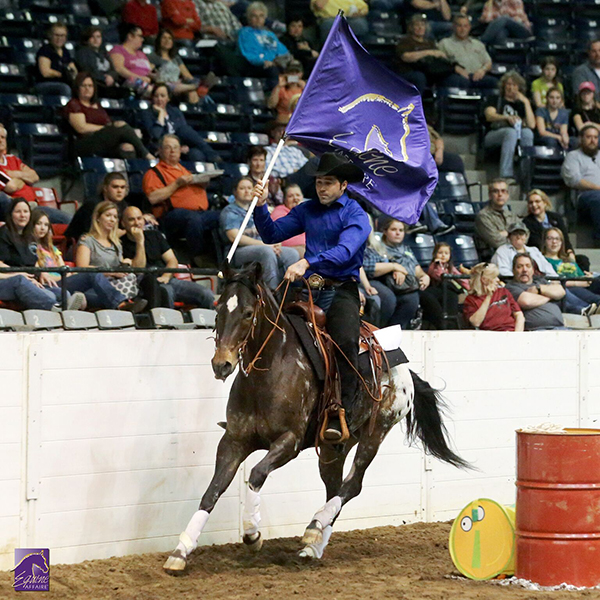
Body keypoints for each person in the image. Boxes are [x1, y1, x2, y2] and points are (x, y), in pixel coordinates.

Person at [252, 153, 370, 442]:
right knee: (270, 333)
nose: (321, 188)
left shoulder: (355, 214)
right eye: (318, 182)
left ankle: (346, 411)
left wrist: (307, 262)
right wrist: (260, 205)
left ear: (343, 185)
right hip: (308, 289)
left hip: (341, 288)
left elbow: (345, 252)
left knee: (344, 341)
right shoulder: (308, 210)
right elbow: (272, 234)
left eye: (328, 183)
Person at [26, 208, 139, 311]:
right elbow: (41, 276)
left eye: (46, 225)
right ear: (31, 225)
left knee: (97, 296)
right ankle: (121, 304)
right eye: (38, 224)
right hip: (51, 285)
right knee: (92, 274)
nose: (42, 228)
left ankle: (124, 306)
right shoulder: (31, 247)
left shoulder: (53, 249)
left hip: (63, 281)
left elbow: (64, 269)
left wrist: (68, 274)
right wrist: (64, 275)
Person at [142, 134, 220, 262]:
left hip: (200, 213)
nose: (172, 151)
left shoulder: (185, 170)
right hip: (171, 216)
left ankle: (225, 257)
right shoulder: (154, 173)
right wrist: (176, 184)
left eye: (175, 148)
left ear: (180, 150)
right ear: (160, 150)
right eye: (168, 147)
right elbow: (153, 198)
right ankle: (198, 257)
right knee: (192, 219)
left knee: (224, 215)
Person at [121, 205, 215, 308]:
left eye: (139, 218)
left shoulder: (155, 235)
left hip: (169, 279)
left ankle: (208, 323)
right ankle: (168, 323)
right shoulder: (121, 243)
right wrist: (140, 241)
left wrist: (166, 275)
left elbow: (172, 260)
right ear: (123, 223)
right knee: (167, 292)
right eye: (131, 220)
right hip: (145, 285)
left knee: (206, 294)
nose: (137, 223)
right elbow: (139, 269)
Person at [0, 199, 86, 311]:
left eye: (25, 211)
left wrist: (40, 272)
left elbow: (33, 262)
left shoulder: (29, 237)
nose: (22, 215)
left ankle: (64, 308)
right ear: (11, 214)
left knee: (62, 293)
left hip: (29, 280)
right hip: (7, 280)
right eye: (18, 212)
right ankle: (56, 309)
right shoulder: (3, 233)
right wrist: (18, 273)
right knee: (22, 282)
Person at [363, 218, 445, 330]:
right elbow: (369, 268)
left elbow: (417, 269)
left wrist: (424, 276)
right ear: (385, 231)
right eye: (394, 229)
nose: (398, 233)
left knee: (414, 298)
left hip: (406, 285)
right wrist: (394, 268)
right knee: (389, 299)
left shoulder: (406, 249)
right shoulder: (378, 247)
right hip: (385, 282)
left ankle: (399, 330)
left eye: (401, 230)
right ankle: (380, 330)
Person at [220, 176, 299, 288]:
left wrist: (276, 242)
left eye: (249, 188)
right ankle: (272, 293)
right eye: (242, 188)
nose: (247, 191)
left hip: (263, 247)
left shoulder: (257, 209)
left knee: (292, 254)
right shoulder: (230, 211)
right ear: (235, 192)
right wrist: (265, 245)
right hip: (238, 251)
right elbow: (234, 236)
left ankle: (286, 293)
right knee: (266, 251)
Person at [75, 200, 147, 312]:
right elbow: (82, 268)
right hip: (92, 288)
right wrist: (111, 272)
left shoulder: (116, 243)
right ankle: (122, 304)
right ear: (97, 218)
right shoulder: (87, 240)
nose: (112, 219)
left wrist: (125, 265)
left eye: (115, 216)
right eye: (108, 215)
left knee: (145, 277)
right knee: (94, 293)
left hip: (115, 285)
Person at [66, 73, 154, 160]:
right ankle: (148, 156)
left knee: (127, 147)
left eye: (90, 86)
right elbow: (81, 128)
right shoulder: (74, 104)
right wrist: (106, 128)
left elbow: (108, 124)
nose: (87, 89)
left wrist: (109, 128)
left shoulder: (97, 105)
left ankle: (131, 173)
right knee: (121, 126)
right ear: (77, 88)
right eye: (83, 86)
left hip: (104, 141)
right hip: (85, 143)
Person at [0, 125, 71, 225]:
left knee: (70, 220)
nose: (1, 140)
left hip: (33, 206)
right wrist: (24, 178)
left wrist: (15, 174)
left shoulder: (13, 159)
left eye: (3, 137)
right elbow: (11, 186)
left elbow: (35, 177)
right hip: (15, 209)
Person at [140, 83, 220, 161]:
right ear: (152, 98)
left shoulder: (175, 111)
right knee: (184, 130)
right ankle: (213, 156)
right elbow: (155, 136)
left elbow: (186, 134)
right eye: (156, 96)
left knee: (196, 154)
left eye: (162, 96)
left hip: (179, 144)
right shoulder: (147, 114)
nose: (159, 99)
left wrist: (180, 147)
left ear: (168, 98)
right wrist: (160, 115)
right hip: (161, 147)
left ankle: (213, 159)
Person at [483, 71, 535, 181]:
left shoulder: (521, 104)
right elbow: (489, 115)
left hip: (516, 134)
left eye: (514, 85)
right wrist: (506, 118)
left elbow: (532, 124)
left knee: (528, 133)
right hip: (495, 134)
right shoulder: (496, 99)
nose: (511, 87)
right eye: (508, 84)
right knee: (510, 132)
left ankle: (525, 173)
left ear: (519, 88)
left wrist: (526, 102)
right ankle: (505, 174)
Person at [394, 14, 454, 94]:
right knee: (420, 77)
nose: (420, 28)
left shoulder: (430, 42)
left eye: (422, 25)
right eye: (417, 25)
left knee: (449, 77)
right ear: (411, 27)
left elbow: (438, 55)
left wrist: (441, 54)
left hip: (429, 70)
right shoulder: (405, 41)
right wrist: (428, 52)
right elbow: (406, 57)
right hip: (409, 71)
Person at [561, 125, 600, 246]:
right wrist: (598, 188)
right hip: (584, 197)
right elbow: (574, 180)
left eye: (595, 137)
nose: (593, 140)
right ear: (581, 139)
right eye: (589, 137)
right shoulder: (573, 156)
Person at [237, 2, 290, 89]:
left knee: (296, 72)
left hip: (276, 64)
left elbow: (283, 51)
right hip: (257, 67)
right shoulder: (245, 33)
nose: (258, 19)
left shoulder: (270, 34)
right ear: (249, 18)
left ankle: (297, 93)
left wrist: (287, 61)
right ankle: (273, 97)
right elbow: (250, 55)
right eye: (254, 16)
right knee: (273, 70)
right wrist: (264, 61)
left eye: (261, 16)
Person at [505, 253, 565, 330]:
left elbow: (561, 291)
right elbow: (526, 301)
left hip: (560, 328)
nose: (524, 270)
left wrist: (538, 289)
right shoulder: (511, 287)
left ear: (533, 270)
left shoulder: (540, 282)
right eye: (520, 267)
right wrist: (550, 296)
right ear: (513, 270)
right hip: (536, 330)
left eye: (528, 266)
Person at [438, 15, 496, 90]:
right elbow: (441, 64)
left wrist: (482, 70)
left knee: (494, 82)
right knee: (462, 82)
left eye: (465, 26)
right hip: (458, 76)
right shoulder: (444, 43)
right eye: (460, 26)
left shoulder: (478, 44)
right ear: (454, 27)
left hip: (477, 75)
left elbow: (488, 62)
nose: (463, 29)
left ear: (469, 27)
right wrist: (455, 69)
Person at [463, 262, 524, 331]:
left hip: (511, 332)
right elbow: (476, 322)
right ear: (484, 279)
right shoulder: (471, 299)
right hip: (490, 336)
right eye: (494, 277)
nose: (498, 280)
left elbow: (519, 314)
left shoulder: (503, 291)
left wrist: (517, 335)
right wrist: (489, 296)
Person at [543, 227, 600, 299]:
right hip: (570, 288)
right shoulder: (543, 260)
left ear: (561, 242)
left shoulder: (567, 259)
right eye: (550, 238)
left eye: (557, 239)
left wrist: (588, 277)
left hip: (585, 284)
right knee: (597, 299)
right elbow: (554, 282)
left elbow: (581, 275)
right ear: (544, 241)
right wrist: (578, 283)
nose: (554, 242)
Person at [522, 188, 577, 260]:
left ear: (545, 203)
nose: (534, 205)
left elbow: (565, 239)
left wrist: (570, 252)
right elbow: (536, 243)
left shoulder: (556, 218)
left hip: (560, 254)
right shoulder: (527, 222)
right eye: (531, 202)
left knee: (582, 260)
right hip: (541, 257)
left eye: (537, 201)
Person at [147, 30, 201, 102]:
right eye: (164, 38)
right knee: (191, 88)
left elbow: (187, 75)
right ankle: (195, 87)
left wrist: (193, 81)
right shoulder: (153, 57)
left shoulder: (176, 58)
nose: (167, 41)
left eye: (169, 38)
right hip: (164, 84)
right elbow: (146, 72)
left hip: (177, 83)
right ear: (159, 40)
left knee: (192, 92)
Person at [491, 221, 557, 277]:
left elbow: (547, 268)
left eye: (521, 233)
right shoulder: (502, 251)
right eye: (515, 234)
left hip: (541, 281)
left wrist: (555, 280)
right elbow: (503, 273)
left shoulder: (534, 250)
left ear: (526, 236)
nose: (518, 236)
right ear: (509, 237)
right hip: (517, 285)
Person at [474, 178, 520, 256]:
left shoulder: (511, 215)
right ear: (490, 195)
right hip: (494, 257)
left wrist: (506, 234)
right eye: (496, 191)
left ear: (507, 195)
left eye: (503, 191)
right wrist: (513, 236)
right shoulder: (483, 216)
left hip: (515, 255)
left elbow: (525, 234)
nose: (500, 194)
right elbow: (496, 242)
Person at [75, 27, 124, 98]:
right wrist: (104, 79)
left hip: (108, 84)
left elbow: (114, 71)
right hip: (95, 84)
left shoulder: (104, 53)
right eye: (92, 37)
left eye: (98, 37)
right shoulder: (82, 53)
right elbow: (87, 71)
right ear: (87, 39)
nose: (96, 40)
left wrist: (111, 76)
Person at [109, 24, 156, 97]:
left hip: (147, 81)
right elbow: (119, 69)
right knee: (154, 91)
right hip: (129, 81)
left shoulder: (141, 54)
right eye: (140, 36)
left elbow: (149, 72)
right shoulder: (118, 50)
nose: (142, 39)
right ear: (130, 36)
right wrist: (140, 77)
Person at [427, 241, 470, 321]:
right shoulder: (434, 266)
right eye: (440, 253)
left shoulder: (450, 267)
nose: (443, 255)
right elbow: (439, 276)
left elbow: (459, 277)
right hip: (438, 289)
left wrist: (469, 288)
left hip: (449, 289)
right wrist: (438, 264)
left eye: (446, 253)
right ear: (434, 254)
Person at [35, 22, 77, 97]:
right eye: (56, 35)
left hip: (63, 82)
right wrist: (62, 75)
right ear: (50, 36)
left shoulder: (65, 52)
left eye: (62, 36)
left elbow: (73, 69)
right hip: (46, 83)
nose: (59, 38)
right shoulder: (45, 50)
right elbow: (45, 72)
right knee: (65, 88)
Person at [271, 183, 306, 257]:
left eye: (298, 195)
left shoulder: (307, 211)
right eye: (290, 196)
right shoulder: (279, 211)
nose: (295, 199)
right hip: (287, 248)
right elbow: (284, 238)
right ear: (285, 200)